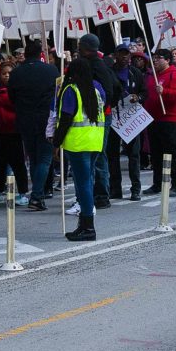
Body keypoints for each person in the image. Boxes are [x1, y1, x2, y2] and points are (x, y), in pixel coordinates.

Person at [53, 58, 105, 241]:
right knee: (87, 182)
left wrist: (56, 142)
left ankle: (88, 226)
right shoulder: (96, 90)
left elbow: (66, 119)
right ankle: (84, 224)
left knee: (82, 184)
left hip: (78, 143)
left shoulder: (71, 89)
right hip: (95, 141)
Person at [7, 41, 58, 212]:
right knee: (44, 158)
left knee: (34, 158)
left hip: (25, 119)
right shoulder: (51, 70)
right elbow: (57, 95)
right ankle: (37, 195)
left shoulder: (16, 73)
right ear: (40, 53)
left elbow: (12, 96)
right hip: (45, 119)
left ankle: (38, 194)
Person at [77, 34, 123, 209]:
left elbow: (113, 90)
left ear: (85, 47)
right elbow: (117, 87)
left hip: (96, 116)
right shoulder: (103, 64)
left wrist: (101, 107)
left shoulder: (93, 65)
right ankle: (99, 194)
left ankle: (100, 195)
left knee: (96, 154)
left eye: (80, 45)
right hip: (101, 114)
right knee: (98, 154)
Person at [105, 41, 146, 201]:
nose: (124, 56)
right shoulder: (109, 73)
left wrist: (139, 97)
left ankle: (135, 188)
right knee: (113, 154)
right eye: (121, 53)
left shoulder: (135, 73)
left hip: (131, 118)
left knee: (133, 155)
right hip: (115, 117)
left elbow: (144, 92)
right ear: (115, 56)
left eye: (126, 53)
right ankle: (116, 189)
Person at [144, 48, 176, 196]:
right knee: (155, 153)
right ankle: (157, 183)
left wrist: (165, 92)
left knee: (171, 152)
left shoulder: (174, 74)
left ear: (167, 60)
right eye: (154, 58)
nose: (155, 60)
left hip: (168, 118)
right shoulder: (152, 75)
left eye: (159, 58)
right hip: (152, 118)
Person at [0, 62, 29, 206]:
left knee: (18, 164)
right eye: (4, 73)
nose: (7, 75)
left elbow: (8, 101)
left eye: (10, 73)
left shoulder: (19, 89)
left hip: (14, 132)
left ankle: (23, 193)